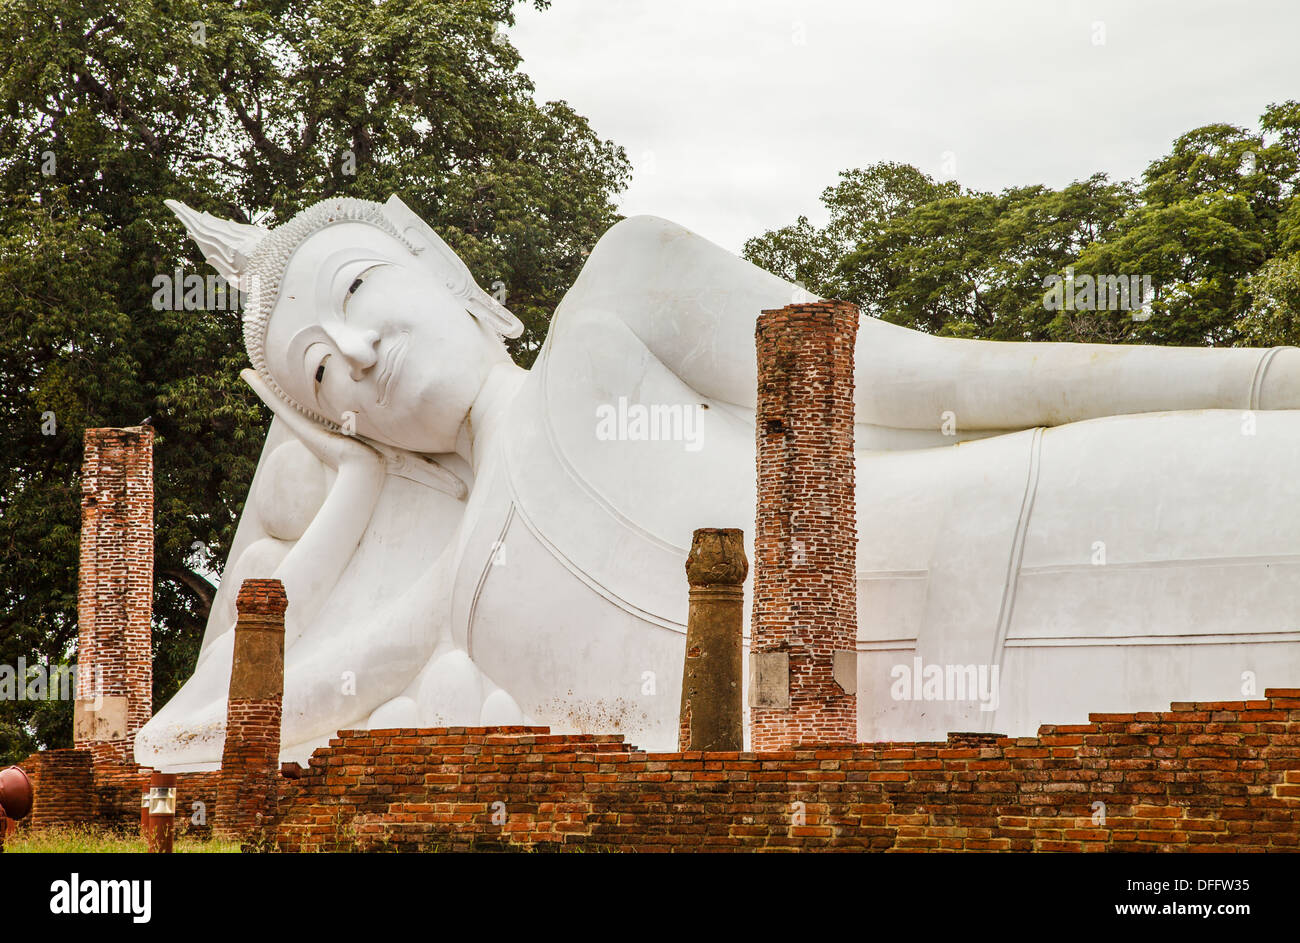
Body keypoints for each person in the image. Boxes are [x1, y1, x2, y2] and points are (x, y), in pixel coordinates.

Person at [138, 194, 1300, 769]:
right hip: (951, 733)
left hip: (1037, 516)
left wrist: (1259, 379)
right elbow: (212, 735)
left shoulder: (617, 296)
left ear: (441, 272)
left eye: (354, 291)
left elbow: (949, 378)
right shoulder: (459, 591)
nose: (361, 355)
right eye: (319, 374)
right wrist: (348, 479)